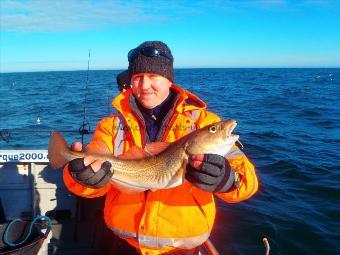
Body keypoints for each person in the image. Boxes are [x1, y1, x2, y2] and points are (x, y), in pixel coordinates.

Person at [63, 41, 258, 255]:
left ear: (169, 79)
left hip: (182, 249)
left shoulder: (202, 122)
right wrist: (80, 177)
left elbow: (246, 183)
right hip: (122, 245)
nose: (145, 85)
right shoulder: (111, 126)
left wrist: (228, 181)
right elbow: (88, 183)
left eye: (153, 76)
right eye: (137, 78)